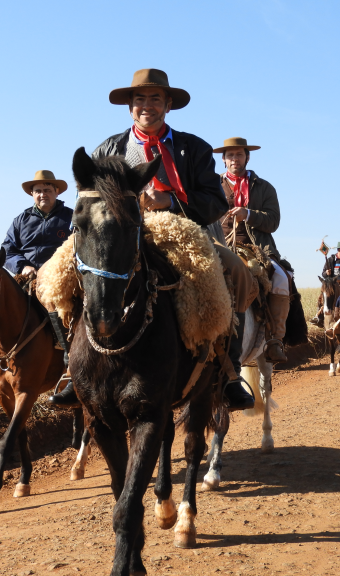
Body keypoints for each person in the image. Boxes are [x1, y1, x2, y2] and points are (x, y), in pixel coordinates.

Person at [90, 68, 259, 411]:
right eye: (140, 99)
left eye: (155, 98)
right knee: (60, 275)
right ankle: (73, 369)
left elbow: (215, 202)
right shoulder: (107, 149)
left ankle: (229, 371)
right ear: (130, 107)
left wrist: (169, 201)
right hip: (124, 236)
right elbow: (90, 201)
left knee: (238, 273)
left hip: (188, 233)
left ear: (168, 105)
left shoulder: (194, 148)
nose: (147, 105)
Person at [0, 170, 73, 396]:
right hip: (26, 276)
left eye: (47, 190)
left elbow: (76, 246)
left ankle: (70, 365)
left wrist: (53, 267)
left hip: (59, 277)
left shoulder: (70, 218)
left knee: (58, 308)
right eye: (38, 191)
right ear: (32, 194)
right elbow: (8, 249)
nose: (42, 194)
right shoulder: (21, 220)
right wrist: (23, 266)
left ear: (57, 192)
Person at [214, 137, 290, 363]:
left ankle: (275, 339)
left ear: (247, 157)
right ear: (223, 159)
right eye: (230, 155)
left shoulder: (264, 187)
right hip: (219, 244)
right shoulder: (212, 185)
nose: (234, 159)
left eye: (239, 154)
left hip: (258, 247)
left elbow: (273, 221)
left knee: (281, 278)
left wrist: (248, 214)